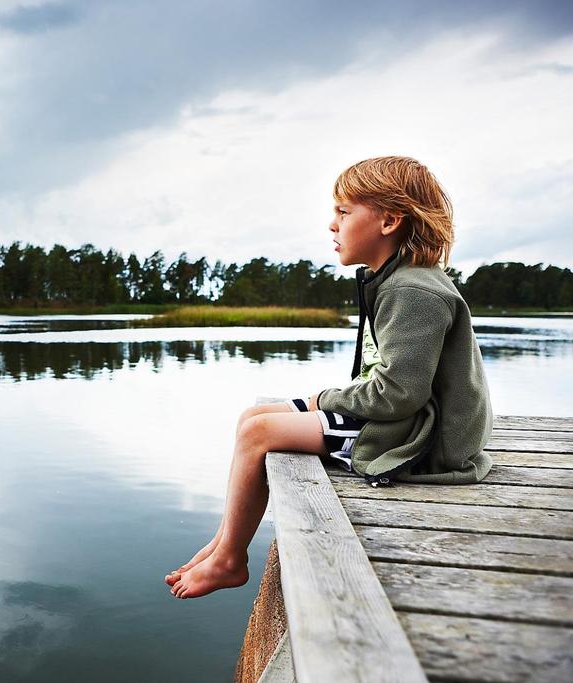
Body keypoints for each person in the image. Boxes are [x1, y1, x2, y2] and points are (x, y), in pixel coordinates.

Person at [165, 156, 492, 599]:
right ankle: (225, 539)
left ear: (389, 220)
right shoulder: (394, 280)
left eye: (344, 211)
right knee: (253, 416)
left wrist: (327, 399)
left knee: (259, 432)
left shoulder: (412, 290)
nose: (331, 225)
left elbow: (399, 394)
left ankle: (230, 559)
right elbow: (389, 380)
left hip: (420, 440)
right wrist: (329, 399)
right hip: (405, 419)